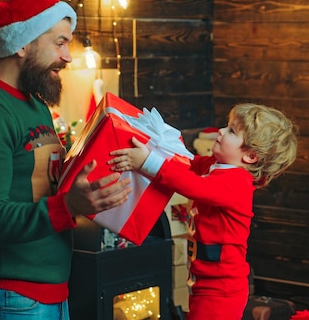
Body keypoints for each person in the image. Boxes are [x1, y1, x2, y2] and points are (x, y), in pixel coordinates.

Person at [0, 0, 132, 320]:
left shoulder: (34, 103)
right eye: (59, 42)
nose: (68, 56)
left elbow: (43, 185)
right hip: (8, 300)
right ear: (21, 43)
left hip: (47, 296)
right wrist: (68, 206)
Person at [108, 103, 298, 320]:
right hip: (205, 282)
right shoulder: (216, 165)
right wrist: (157, 149)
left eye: (232, 131)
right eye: (227, 126)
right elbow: (188, 164)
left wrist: (148, 162)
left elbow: (194, 186)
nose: (221, 131)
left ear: (250, 156)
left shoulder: (238, 182)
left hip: (222, 290)